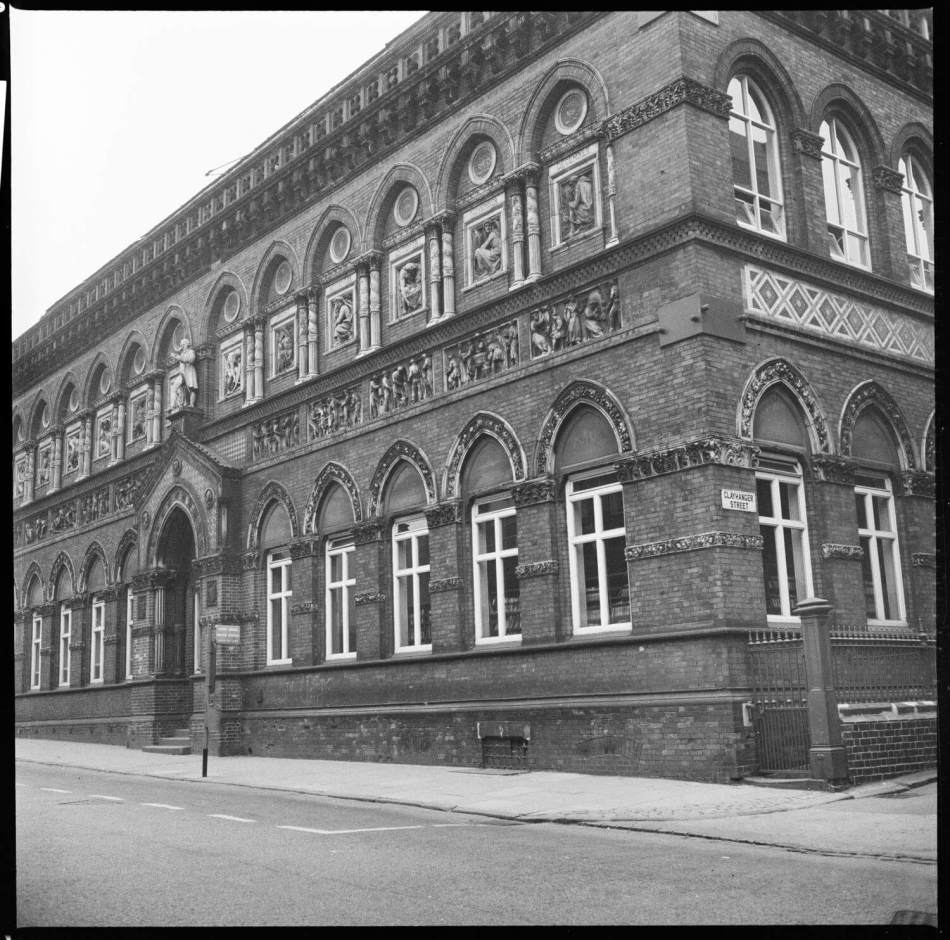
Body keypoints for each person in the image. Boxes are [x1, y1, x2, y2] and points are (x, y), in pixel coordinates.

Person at [171, 337, 198, 407]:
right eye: (181, 345)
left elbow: (191, 359)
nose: (181, 346)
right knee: (174, 387)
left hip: (189, 371)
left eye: (183, 345)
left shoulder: (191, 351)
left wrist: (179, 358)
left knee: (191, 388)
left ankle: (191, 404)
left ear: (187, 344)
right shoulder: (182, 354)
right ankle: (173, 405)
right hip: (182, 373)